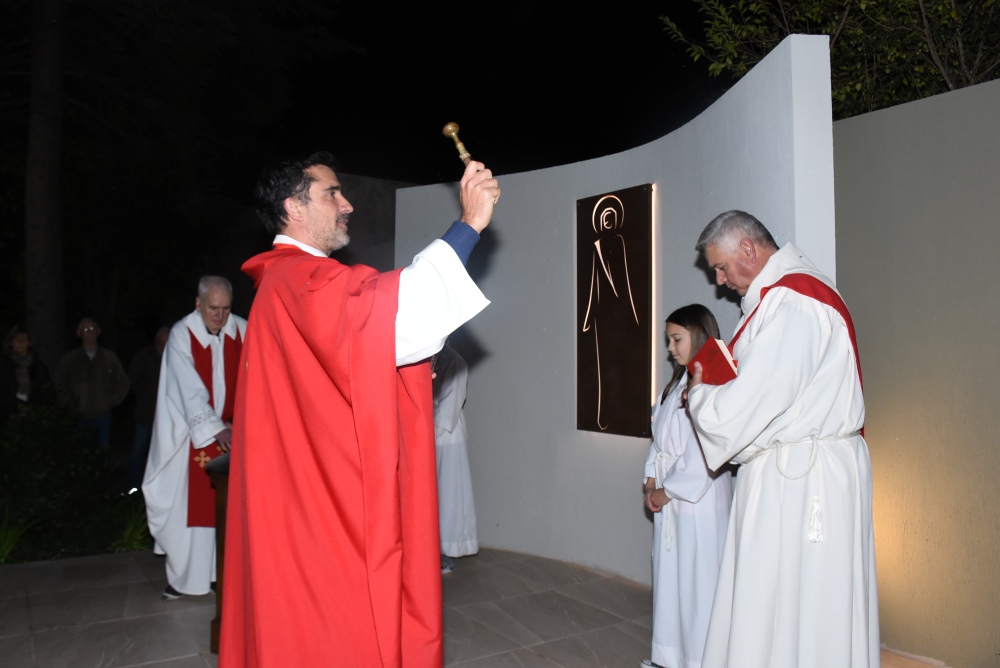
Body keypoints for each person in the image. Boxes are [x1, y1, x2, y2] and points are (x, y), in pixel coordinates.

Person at [219, 151, 498, 668]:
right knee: (337, 633)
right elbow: (396, 319)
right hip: (321, 509)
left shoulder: (287, 284)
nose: (347, 204)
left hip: (307, 495)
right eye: (331, 193)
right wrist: (468, 226)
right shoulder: (298, 280)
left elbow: (360, 361)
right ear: (293, 208)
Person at [685, 210, 879, 667]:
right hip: (796, 472)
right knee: (783, 603)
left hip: (804, 482)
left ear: (748, 250)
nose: (719, 280)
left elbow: (743, 406)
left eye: (721, 266)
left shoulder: (795, 303)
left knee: (803, 603)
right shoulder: (782, 299)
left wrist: (699, 392)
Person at [143, 277, 247, 600]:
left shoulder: (243, 330)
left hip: (236, 433)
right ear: (198, 303)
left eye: (226, 309)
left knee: (230, 510)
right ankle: (185, 578)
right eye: (213, 308)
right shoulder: (180, 335)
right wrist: (215, 428)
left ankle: (222, 576)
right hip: (192, 436)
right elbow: (187, 389)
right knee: (188, 509)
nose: (220, 316)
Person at [641, 304, 732, 668]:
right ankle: (670, 656)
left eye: (676, 339)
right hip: (673, 497)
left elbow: (702, 452)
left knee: (698, 584)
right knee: (671, 581)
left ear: (698, 335)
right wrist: (650, 477)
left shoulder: (712, 382)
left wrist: (666, 490)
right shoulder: (677, 383)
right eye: (668, 340)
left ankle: (700, 659)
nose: (670, 348)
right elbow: (660, 439)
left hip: (699, 503)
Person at [432, 343, 478, 574]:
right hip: (433, 435)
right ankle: (433, 550)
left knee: (450, 496)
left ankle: (448, 552)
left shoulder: (455, 361)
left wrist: (431, 428)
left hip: (448, 436)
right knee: (437, 496)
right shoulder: (433, 359)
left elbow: (450, 403)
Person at [55, 317, 130, 449]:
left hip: (103, 415)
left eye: (92, 329)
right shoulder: (70, 359)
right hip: (78, 415)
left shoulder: (109, 357)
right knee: (79, 453)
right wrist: (69, 403)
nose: (89, 332)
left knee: (103, 452)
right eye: (85, 329)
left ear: (98, 331)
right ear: (79, 333)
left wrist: (111, 400)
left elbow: (124, 383)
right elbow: (59, 384)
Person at [127, 326, 169, 491]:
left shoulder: (175, 356)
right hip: (145, 414)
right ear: (157, 339)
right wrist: (146, 395)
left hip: (167, 416)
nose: (166, 343)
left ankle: (158, 487)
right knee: (139, 451)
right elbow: (132, 379)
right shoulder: (143, 357)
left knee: (163, 453)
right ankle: (134, 487)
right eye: (163, 339)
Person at [1, 325, 52, 421]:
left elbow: (46, 391)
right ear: (11, 343)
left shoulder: (39, 367)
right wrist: (18, 406)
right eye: (17, 339)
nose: (21, 342)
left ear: (29, 343)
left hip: (35, 416)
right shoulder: (3, 366)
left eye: (24, 339)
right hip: (7, 416)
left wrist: (31, 408)